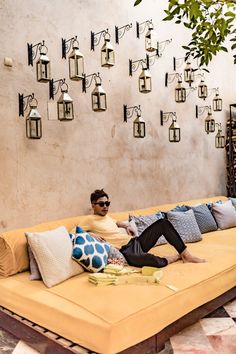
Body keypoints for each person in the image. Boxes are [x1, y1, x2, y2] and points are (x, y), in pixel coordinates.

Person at [80, 189, 206, 268]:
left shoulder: (107, 217)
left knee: (163, 223)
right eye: (101, 204)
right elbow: (73, 233)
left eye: (107, 203)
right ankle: (177, 257)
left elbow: (116, 222)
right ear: (93, 205)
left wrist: (127, 225)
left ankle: (187, 255)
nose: (105, 207)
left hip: (135, 242)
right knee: (152, 261)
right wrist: (90, 234)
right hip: (126, 251)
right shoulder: (89, 220)